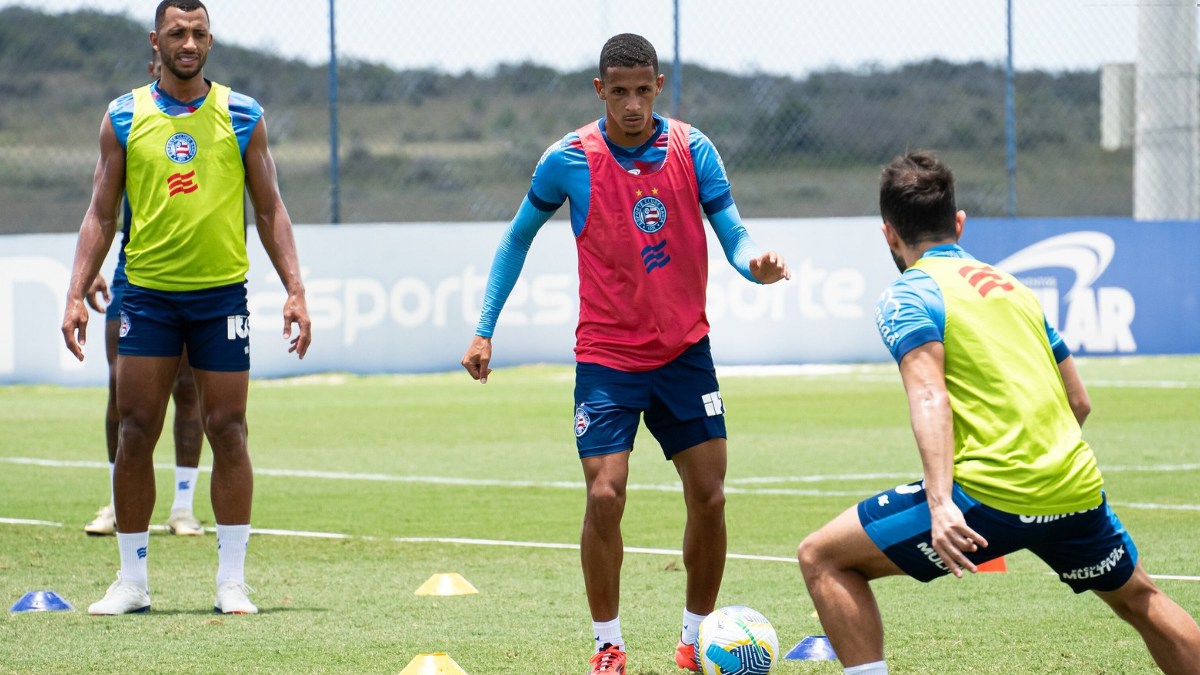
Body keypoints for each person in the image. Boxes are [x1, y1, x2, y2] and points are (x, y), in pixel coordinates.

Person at [796, 151, 1200, 675]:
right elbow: (1079, 401)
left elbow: (929, 396)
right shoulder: (1016, 289)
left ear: (888, 234)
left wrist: (942, 504)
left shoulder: (909, 294)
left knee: (822, 557)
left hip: (987, 499)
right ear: (959, 223)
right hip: (1074, 487)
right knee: (1140, 599)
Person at [461, 33, 790, 675]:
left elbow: (733, 232)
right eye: (620, 93)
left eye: (643, 91)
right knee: (605, 496)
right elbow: (515, 241)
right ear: (599, 90)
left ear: (658, 86)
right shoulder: (567, 159)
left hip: (684, 353)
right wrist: (484, 327)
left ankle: (695, 640)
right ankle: (607, 644)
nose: (632, 105)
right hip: (608, 358)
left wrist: (757, 265)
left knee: (711, 497)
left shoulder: (694, 149)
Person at [61, 0, 311, 616]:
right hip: (145, 296)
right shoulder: (123, 116)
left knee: (228, 429)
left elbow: (270, 207)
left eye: (199, 32)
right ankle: (132, 583)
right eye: (178, 32)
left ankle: (231, 582)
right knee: (134, 429)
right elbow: (100, 211)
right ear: (156, 40)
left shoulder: (243, 113)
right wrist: (76, 290)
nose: (190, 41)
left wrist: (295, 289)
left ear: (210, 38)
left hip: (221, 296)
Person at [84, 49, 204, 539]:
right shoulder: (132, 124)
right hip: (135, 276)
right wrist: (89, 268)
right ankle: (118, 501)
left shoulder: (217, 126)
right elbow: (103, 206)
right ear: (154, 68)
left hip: (201, 283)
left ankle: (183, 506)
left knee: (188, 392)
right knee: (122, 390)